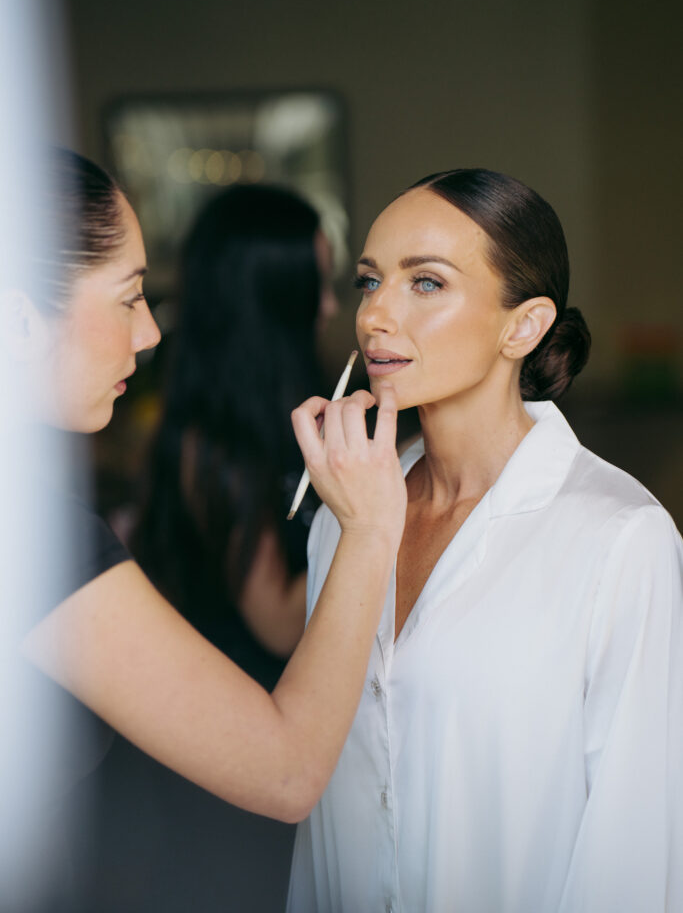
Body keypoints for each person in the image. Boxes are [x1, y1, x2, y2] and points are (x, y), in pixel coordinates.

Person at [287, 168, 683, 913]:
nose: (374, 315)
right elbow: (321, 823)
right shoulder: (343, 517)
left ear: (522, 326)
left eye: (425, 282)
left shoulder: (619, 538)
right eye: (369, 281)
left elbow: (633, 851)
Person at [6, 147, 407, 832]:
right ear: (17, 322)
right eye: (129, 296)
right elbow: (285, 771)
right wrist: (368, 528)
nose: (149, 332)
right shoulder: (29, 536)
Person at [130, 184, 337, 691]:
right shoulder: (212, 442)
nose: (332, 306)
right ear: (273, 300)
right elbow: (279, 628)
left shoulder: (299, 393)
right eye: (318, 286)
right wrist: (365, 518)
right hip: (252, 697)